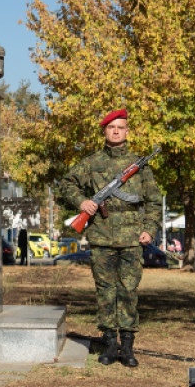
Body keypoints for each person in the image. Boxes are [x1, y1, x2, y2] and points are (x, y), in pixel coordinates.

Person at [58, 109, 162, 368]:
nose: (116, 131)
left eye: (121, 127)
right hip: (102, 237)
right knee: (106, 292)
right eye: (111, 127)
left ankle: (127, 347)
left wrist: (149, 228)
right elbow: (66, 183)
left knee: (128, 291)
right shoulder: (92, 162)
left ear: (127, 131)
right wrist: (82, 201)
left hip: (132, 238)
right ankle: (109, 344)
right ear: (104, 131)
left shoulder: (140, 166)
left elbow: (154, 200)